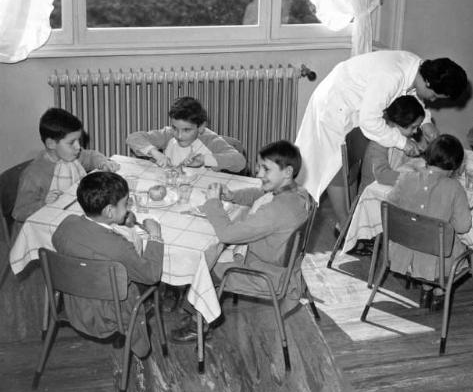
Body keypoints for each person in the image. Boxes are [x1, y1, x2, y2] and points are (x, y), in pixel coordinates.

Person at [294, 50, 468, 230]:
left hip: (353, 105)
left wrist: (426, 122)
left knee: (350, 167)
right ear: (429, 82)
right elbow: (369, 120)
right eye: (434, 96)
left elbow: (411, 94)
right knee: (334, 167)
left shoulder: (418, 67)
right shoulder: (391, 76)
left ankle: (352, 218)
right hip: (333, 104)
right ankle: (344, 225)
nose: (432, 100)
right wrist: (402, 142)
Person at [171, 140, 311, 343]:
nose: (259, 174)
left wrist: (213, 202)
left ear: (287, 172)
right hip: (282, 265)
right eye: (258, 166)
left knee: (203, 266)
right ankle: (195, 307)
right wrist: (232, 195)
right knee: (214, 252)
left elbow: (227, 234)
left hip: (265, 274)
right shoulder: (297, 193)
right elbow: (261, 193)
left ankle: (198, 324)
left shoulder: (274, 212)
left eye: (266, 169)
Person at [52, 171, 164, 358]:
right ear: (109, 212)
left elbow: (62, 244)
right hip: (111, 311)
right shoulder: (120, 247)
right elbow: (151, 275)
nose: (128, 207)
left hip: (75, 301)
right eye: (126, 203)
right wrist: (155, 236)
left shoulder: (66, 224)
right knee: (157, 283)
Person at [386, 134, 472, 311]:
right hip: (440, 261)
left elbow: (390, 207)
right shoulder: (455, 188)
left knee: (427, 236)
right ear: (456, 166)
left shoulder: (406, 177)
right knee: (457, 243)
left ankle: (426, 288)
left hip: (402, 253)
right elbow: (463, 227)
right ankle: (439, 292)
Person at [12, 108, 119, 226]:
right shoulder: (33, 174)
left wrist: (103, 162)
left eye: (78, 140)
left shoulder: (72, 156)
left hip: (69, 218)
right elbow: (19, 212)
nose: (78, 147)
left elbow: (91, 156)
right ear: (51, 144)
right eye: (71, 142)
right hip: (41, 230)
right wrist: (43, 203)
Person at [126, 96, 246, 172]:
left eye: (186, 130)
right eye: (175, 128)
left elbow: (239, 161)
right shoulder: (169, 134)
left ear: (201, 127)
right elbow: (133, 138)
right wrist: (155, 153)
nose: (179, 135)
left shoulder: (210, 140)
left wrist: (204, 159)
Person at [359, 95, 426, 192]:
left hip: (390, 189)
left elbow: (412, 159)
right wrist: (413, 180)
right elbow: (382, 175)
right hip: (372, 196)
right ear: (397, 123)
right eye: (413, 127)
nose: (416, 131)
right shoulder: (378, 144)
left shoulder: (405, 139)